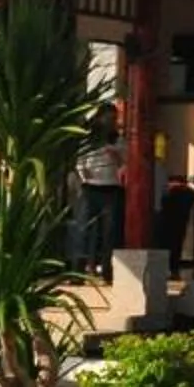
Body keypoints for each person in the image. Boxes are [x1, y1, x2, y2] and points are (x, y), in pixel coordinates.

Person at [74, 102, 125, 275]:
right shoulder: (88, 138)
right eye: (108, 117)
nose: (110, 121)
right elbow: (79, 159)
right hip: (90, 186)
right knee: (84, 229)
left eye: (113, 118)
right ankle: (78, 270)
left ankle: (107, 269)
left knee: (109, 232)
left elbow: (124, 162)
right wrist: (83, 174)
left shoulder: (118, 139)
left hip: (110, 187)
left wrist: (116, 154)